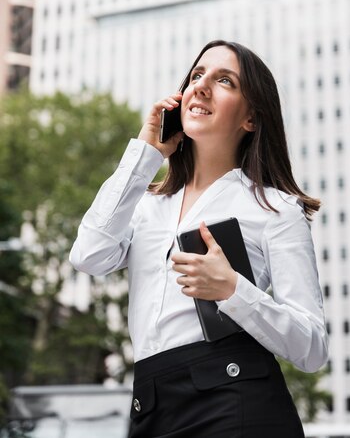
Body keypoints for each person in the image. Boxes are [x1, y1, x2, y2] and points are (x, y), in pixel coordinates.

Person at [70, 39, 328, 437]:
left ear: (252, 119)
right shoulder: (147, 205)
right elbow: (88, 255)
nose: (201, 86)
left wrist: (232, 290)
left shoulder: (276, 209)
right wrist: (144, 156)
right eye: (196, 75)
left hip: (236, 400)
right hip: (150, 403)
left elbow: (312, 348)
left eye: (225, 81)